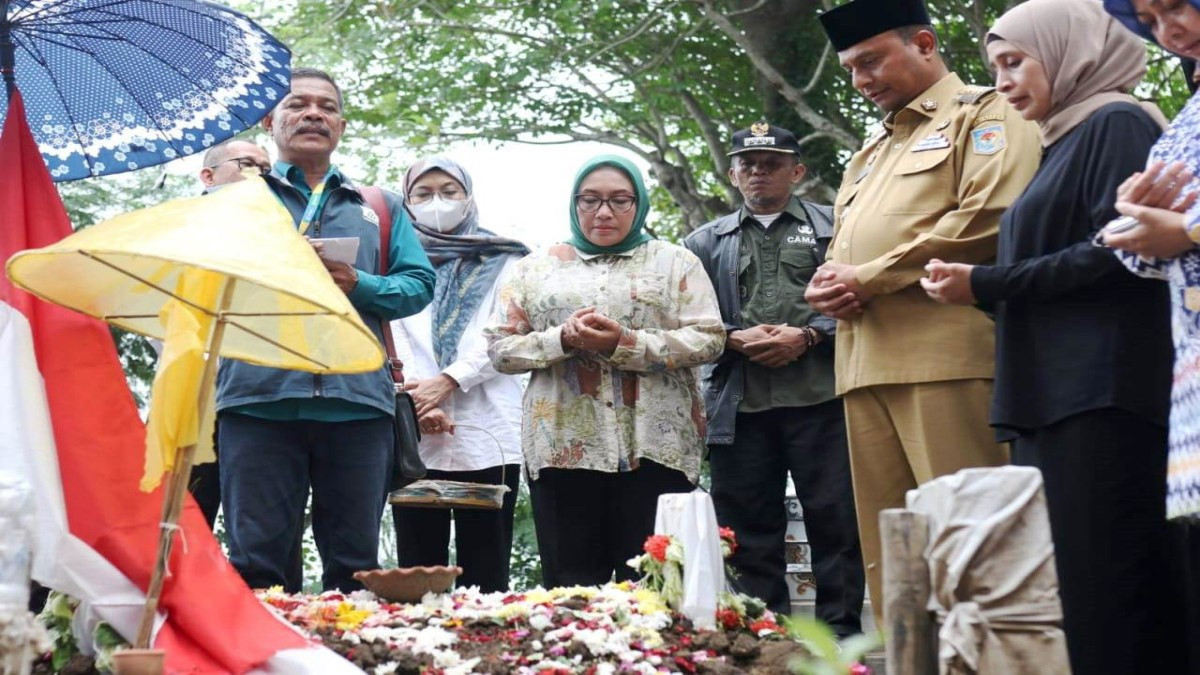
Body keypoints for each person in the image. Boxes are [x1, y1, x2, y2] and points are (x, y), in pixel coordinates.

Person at [920, 2, 1184, 671]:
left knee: (1113, 589)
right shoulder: (1062, 138)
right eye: (994, 67)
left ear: (1070, 52)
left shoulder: (1117, 122)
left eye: (1015, 61)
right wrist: (983, 284)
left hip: (1103, 394)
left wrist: (987, 283)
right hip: (1058, 395)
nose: (1003, 82)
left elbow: (1116, 256)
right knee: (1076, 590)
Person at [807, 0, 1041, 618]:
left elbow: (994, 216)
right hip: (862, 368)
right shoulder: (870, 151)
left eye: (871, 61)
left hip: (946, 360)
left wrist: (872, 276)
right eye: (851, 70)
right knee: (896, 564)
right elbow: (845, 250)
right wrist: (827, 285)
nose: (861, 81)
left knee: (975, 544)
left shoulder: (987, 114)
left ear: (926, 43)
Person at [215, 68, 436, 592]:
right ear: (271, 121)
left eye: (326, 106)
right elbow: (199, 287)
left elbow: (418, 285)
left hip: (357, 403)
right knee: (256, 566)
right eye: (297, 104)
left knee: (355, 566)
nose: (313, 113)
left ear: (340, 125)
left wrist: (356, 282)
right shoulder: (235, 202)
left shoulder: (379, 206)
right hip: (257, 399)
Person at [486, 155, 724, 587]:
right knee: (573, 588)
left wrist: (623, 343)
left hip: (657, 447)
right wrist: (562, 338)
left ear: (639, 204)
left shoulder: (676, 263)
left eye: (619, 200)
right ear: (575, 204)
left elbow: (710, 338)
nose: (604, 212)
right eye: (590, 200)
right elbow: (501, 351)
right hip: (563, 448)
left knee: (658, 588)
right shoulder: (534, 269)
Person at [683, 123, 863, 633]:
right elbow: (684, 317)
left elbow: (864, 298)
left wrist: (807, 337)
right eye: (748, 164)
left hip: (824, 398)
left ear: (797, 171)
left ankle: (842, 641)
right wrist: (730, 337)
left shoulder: (837, 229)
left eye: (773, 163)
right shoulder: (702, 242)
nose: (759, 172)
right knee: (746, 529)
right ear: (733, 173)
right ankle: (764, 639)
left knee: (836, 523)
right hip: (739, 407)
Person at [1096, 0, 1200, 671]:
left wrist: (1186, 233)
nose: (1171, 32)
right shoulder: (1188, 117)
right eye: (1153, 19)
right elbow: (1135, 252)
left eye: (1179, 6)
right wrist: (1136, 218)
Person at [388, 157, 529, 592]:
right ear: (406, 203)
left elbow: (508, 329)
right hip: (413, 428)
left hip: (488, 425)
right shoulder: (391, 258)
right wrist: (416, 399)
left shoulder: (507, 259)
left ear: (468, 197)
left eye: (449, 192)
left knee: (487, 569)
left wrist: (447, 382)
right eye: (423, 194)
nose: (437, 203)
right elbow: (390, 328)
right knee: (417, 570)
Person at [186, 138, 272, 530]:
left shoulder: (277, 233)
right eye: (247, 165)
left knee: (259, 524)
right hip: (194, 397)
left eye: (267, 170)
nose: (260, 177)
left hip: (262, 400)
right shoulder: (179, 227)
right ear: (208, 175)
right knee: (183, 518)